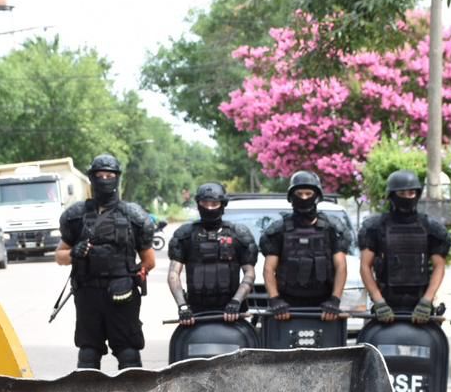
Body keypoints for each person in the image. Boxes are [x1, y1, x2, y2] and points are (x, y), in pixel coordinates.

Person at [55, 154, 157, 370]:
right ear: (92, 178)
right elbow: (59, 256)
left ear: (117, 178)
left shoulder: (133, 216)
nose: (104, 180)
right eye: (100, 175)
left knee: (128, 354)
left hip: (122, 296)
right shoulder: (76, 216)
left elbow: (149, 260)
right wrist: (74, 253)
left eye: (109, 175)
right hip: (87, 294)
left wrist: (134, 276)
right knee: (88, 354)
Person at [358, 169, 451, 325]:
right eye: (401, 193)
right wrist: (379, 302)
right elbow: (365, 266)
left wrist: (426, 301)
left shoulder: (431, 227)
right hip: (385, 304)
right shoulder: (375, 227)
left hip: (420, 306)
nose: (407, 197)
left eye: (411, 193)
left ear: (417, 194)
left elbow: (439, 266)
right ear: (392, 195)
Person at [259, 171, 349, 322]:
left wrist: (334, 300)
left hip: (324, 307)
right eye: (299, 194)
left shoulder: (332, 228)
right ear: (291, 197)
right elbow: (268, 268)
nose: (304, 198)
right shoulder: (279, 229)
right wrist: (275, 300)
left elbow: (341, 266)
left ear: (317, 196)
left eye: (308, 193)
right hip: (286, 307)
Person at [168, 182, 258, 326]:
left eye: (214, 204)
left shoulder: (239, 234)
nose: (209, 208)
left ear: (222, 205)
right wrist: (183, 306)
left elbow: (249, 272)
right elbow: (173, 273)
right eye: (205, 203)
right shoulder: (185, 235)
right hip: (195, 313)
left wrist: (236, 301)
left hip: (232, 313)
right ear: (198, 204)